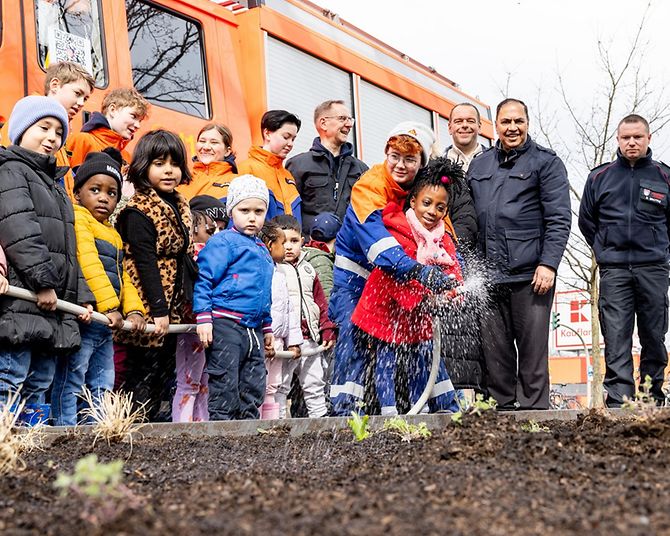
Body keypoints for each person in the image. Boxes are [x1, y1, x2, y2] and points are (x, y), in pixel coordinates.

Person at [328, 121, 458, 415]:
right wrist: (421, 273)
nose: (400, 165)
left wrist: (452, 280)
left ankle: (443, 408)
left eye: (409, 159)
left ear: (421, 162)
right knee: (354, 332)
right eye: (394, 156)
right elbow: (378, 245)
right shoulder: (370, 186)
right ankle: (344, 413)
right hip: (358, 276)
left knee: (422, 339)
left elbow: (445, 237)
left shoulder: (424, 190)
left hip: (399, 279)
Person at [467, 98, 571, 410]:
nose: (512, 128)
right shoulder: (479, 165)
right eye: (506, 122)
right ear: (495, 126)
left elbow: (559, 219)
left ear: (527, 123)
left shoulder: (546, 163)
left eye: (518, 121)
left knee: (532, 353)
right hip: (489, 276)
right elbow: (469, 217)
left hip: (531, 275)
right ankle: (501, 414)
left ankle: (534, 416)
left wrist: (548, 264)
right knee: (494, 353)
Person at [0, 96, 94, 424]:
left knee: (39, 382)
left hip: (50, 304)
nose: (52, 137)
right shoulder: (11, 170)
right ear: (22, 129)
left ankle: (33, 453)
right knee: (10, 377)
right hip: (22, 300)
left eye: (58, 132)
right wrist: (42, 282)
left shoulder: (54, 184)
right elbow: (19, 229)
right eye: (44, 127)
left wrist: (81, 297)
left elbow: (69, 249)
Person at [351, 157, 464, 415]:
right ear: (413, 201)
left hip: (418, 316)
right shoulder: (399, 231)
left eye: (440, 207)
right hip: (386, 314)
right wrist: (424, 301)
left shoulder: (441, 238)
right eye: (426, 203)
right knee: (387, 361)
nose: (432, 211)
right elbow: (396, 276)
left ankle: (421, 408)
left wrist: (453, 295)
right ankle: (388, 411)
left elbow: (453, 270)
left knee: (420, 360)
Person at [579, 114, 670, 407]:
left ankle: (652, 397)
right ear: (617, 140)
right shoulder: (599, 177)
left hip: (653, 269)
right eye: (626, 137)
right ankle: (619, 399)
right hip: (615, 270)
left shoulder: (664, 176)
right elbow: (586, 221)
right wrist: (605, 250)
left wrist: (661, 251)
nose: (632, 142)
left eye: (638, 137)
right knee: (616, 336)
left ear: (648, 139)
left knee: (653, 336)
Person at [51, 148, 146, 426]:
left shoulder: (112, 232)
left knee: (103, 380)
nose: (104, 197)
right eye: (95, 189)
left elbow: (123, 276)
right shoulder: (79, 219)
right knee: (73, 377)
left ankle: (99, 429)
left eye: (112, 192)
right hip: (88, 316)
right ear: (78, 193)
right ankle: (65, 429)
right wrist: (109, 308)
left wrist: (134, 311)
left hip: (107, 323)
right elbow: (89, 263)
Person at [114, 129, 192, 420]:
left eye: (174, 163)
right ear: (143, 166)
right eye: (159, 163)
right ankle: (130, 424)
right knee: (139, 373)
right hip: (146, 304)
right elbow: (144, 262)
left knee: (163, 372)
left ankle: (156, 423)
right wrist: (157, 310)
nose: (169, 170)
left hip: (172, 304)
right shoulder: (138, 210)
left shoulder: (181, 204)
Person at [194, 175, 274, 421]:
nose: (252, 217)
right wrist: (204, 317)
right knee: (225, 381)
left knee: (254, 383)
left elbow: (264, 291)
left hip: (254, 328)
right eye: (244, 210)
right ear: (232, 211)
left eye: (259, 211)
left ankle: (248, 432)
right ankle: (221, 433)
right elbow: (204, 278)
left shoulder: (262, 249)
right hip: (226, 322)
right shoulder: (222, 242)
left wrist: (267, 326)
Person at [274, 215, 336, 418]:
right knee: (279, 385)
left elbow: (321, 303)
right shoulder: (273, 269)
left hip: (309, 337)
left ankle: (319, 421)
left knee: (314, 382)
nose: (289, 247)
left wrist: (327, 329)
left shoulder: (309, 269)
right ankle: (279, 423)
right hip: (282, 340)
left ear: (302, 240)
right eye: (283, 242)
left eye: (293, 241)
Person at [286, 100, 368, 234]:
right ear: (323, 123)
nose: (348, 125)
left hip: (347, 250)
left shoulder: (361, 169)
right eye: (342, 119)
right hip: (309, 248)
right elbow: (290, 212)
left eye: (350, 120)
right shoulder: (298, 165)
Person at [171, 206, 216, 423]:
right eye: (210, 229)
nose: (214, 234)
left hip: (199, 326)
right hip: (191, 327)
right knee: (190, 383)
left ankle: (196, 427)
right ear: (193, 228)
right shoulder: (197, 255)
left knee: (200, 384)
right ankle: (184, 430)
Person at [258, 221, 302, 420]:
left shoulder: (281, 272)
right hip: (264, 338)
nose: (286, 247)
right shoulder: (259, 271)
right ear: (269, 244)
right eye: (282, 242)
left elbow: (290, 310)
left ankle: (271, 425)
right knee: (259, 384)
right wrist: (262, 335)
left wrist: (293, 341)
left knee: (273, 385)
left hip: (278, 341)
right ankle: (256, 424)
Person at [237, 110, 302, 223]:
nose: (290, 143)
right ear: (267, 133)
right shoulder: (247, 168)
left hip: (289, 240)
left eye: (293, 139)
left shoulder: (287, 175)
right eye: (286, 137)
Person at [43, 61, 96, 200]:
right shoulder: (27, 124)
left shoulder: (61, 135)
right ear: (55, 85)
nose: (81, 103)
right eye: (77, 93)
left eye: (85, 98)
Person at [66, 87, 149, 169]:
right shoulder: (81, 140)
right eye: (133, 116)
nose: (138, 125)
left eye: (140, 121)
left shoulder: (127, 158)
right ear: (113, 110)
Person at [443, 102, 483, 247]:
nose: (464, 125)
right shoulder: (436, 168)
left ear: (479, 126)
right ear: (449, 127)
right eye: (458, 121)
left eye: (470, 121)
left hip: (491, 250)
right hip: (453, 248)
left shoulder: (497, 164)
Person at [177, 123, 237, 203]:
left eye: (214, 142)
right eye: (202, 141)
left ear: (227, 151)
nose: (206, 147)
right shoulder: (182, 178)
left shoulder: (236, 183)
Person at [303, 212, 341, 301]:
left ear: (310, 237)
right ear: (336, 240)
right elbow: (327, 298)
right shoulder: (322, 262)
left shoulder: (304, 253)